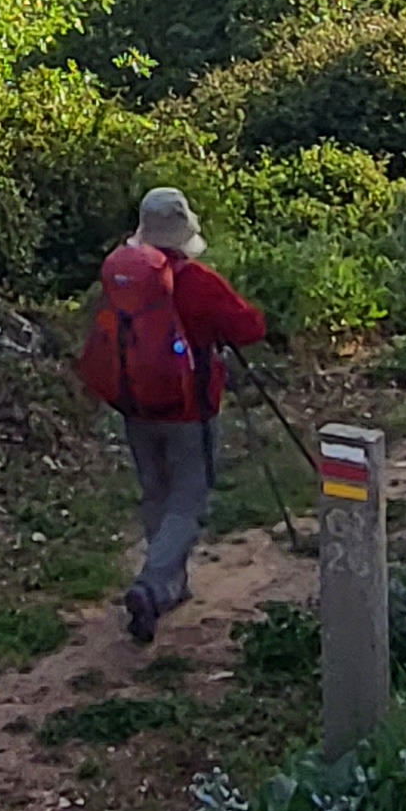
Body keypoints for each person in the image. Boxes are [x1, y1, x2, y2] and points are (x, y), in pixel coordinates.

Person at [77, 185, 272, 643]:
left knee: (157, 494)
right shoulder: (197, 281)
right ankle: (151, 585)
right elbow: (251, 327)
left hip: (134, 406)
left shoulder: (123, 280)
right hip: (189, 411)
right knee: (189, 499)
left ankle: (170, 584)